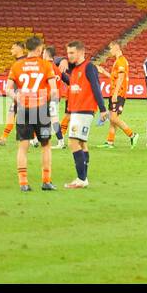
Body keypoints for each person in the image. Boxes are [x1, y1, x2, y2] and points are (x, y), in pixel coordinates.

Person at [6, 37, 58, 191]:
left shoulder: (17, 65)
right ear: (38, 49)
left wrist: (18, 97)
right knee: (46, 145)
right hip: (41, 109)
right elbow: (54, 89)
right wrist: (48, 99)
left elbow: (8, 89)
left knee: (23, 147)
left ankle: (23, 183)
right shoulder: (45, 65)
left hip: (23, 109)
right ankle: (46, 181)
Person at [62, 41, 108, 189]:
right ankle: (83, 178)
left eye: (72, 53)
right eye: (68, 53)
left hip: (84, 110)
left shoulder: (89, 67)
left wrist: (103, 109)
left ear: (81, 52)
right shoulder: (75, 69)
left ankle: (81, 179)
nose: (69, 56)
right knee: (82, 143)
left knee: (72, 142)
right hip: (77, 110)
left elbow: (96, 87)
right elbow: (73, 84)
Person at [0, 40, 26, 147]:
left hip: (21, 95)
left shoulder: (20, 63)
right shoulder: (24, 61)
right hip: (21, 95)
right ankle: (3, 138)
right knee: (15, 116)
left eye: (13, 48)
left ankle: (4, 138)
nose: (11, 50)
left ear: (19, 48)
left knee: (23, 118)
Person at [102, 42, 137, 149]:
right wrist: (103, 72)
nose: (110, 51)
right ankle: (110, 141)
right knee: (113, 118)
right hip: (114, 92)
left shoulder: (121, 61)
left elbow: (121, 78)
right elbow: (115, 78)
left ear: (116, 47)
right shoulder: (117, 61)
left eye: (111, 48)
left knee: (113, 118)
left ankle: (132, 134)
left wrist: (116, 93)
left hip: (119, 93)